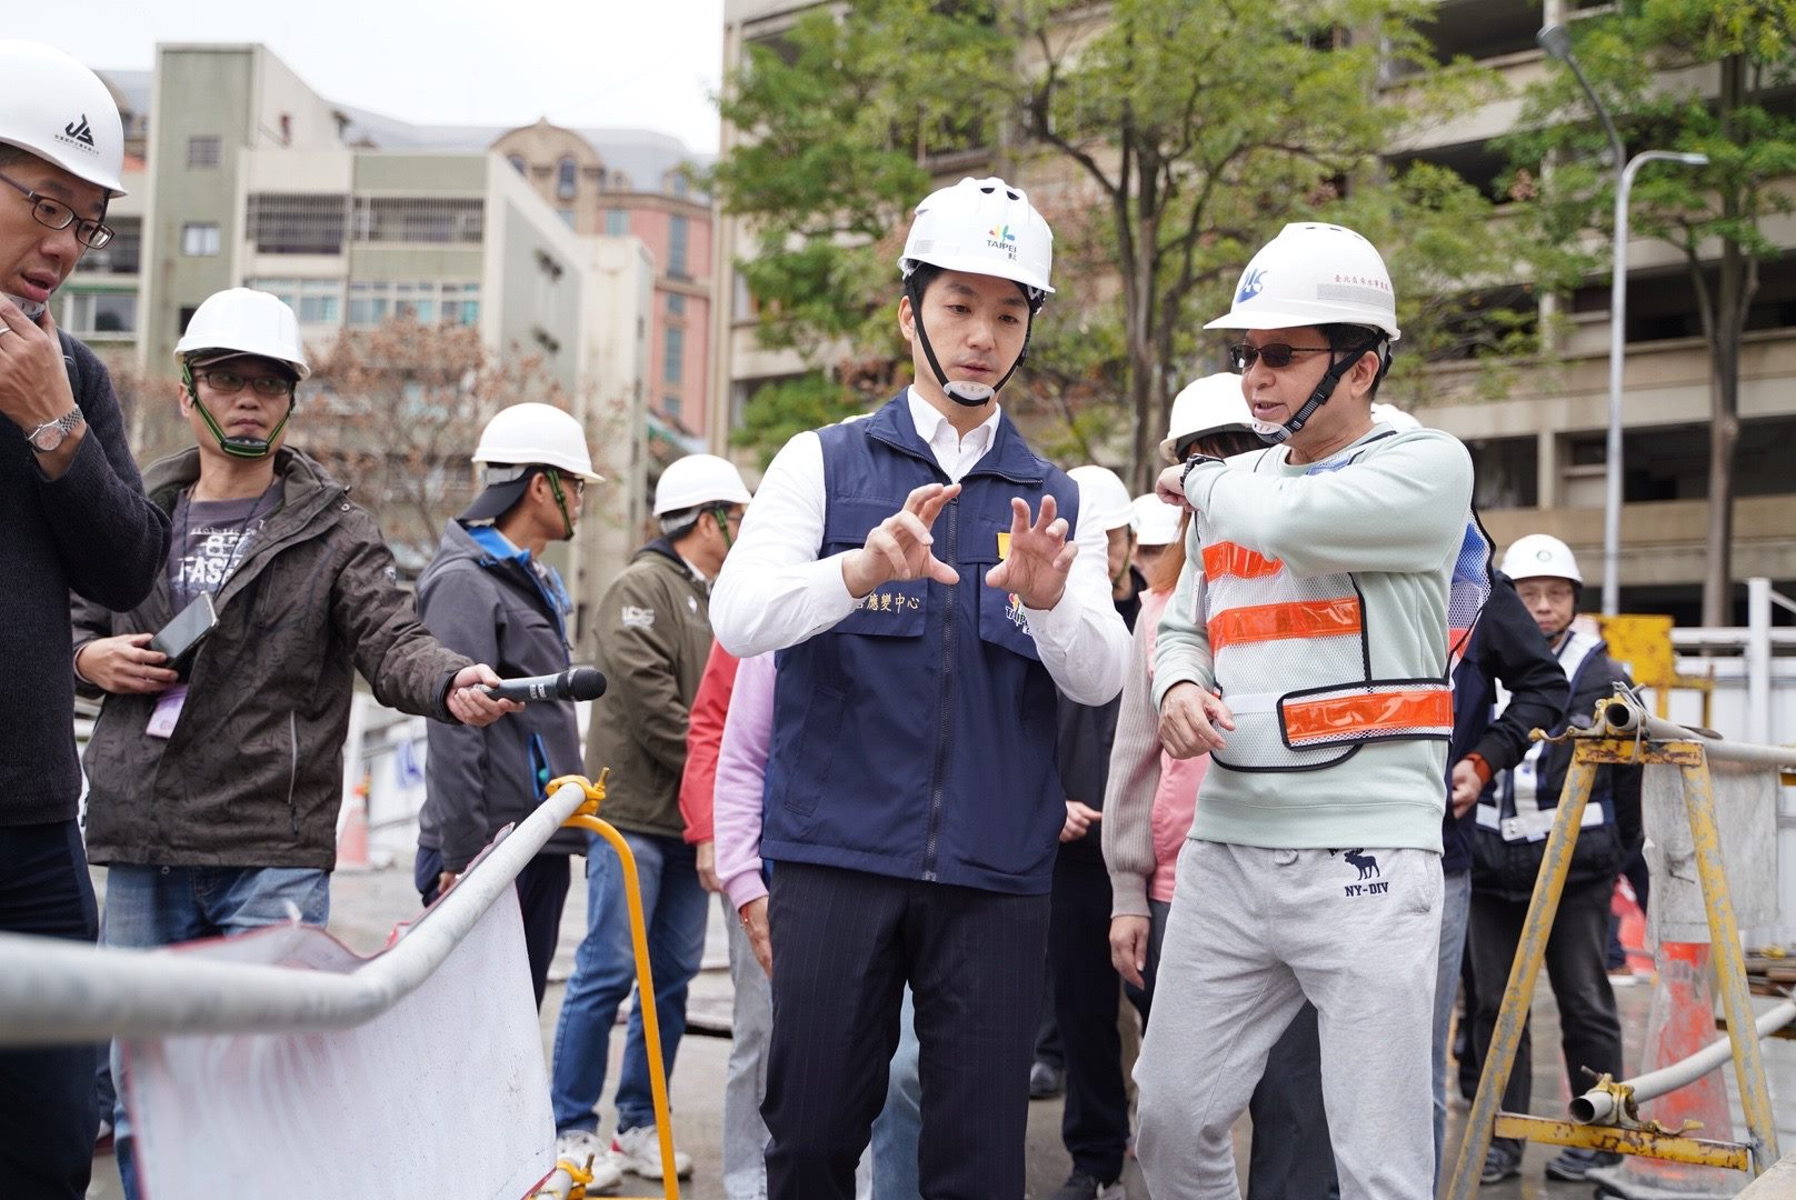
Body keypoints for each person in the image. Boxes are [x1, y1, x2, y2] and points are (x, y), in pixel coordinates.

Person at [710, 175, 1130, 1200]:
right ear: (909, 316)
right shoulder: (819, 465)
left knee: (977, 1165)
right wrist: (858, 568)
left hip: (993, 878)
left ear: (1027, 330)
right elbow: (739, 615)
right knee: (806, 1140)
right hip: (834, 859)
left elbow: (1101, 674)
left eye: (1006, 312)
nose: (981, 335)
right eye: (957, 306)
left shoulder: (1053, 496)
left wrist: (1042, 601)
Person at [72, 286, 514, 1199]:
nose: (248, 399)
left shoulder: (333, 529)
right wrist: (89, 656)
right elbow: (59, 622)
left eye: (269, 385)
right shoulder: (129, 512)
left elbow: (393, 638)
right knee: (141, 1084)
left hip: (268, 851)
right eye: (229, 381)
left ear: (291, 400)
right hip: (142, 842)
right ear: (191, 391)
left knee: (266, 1079)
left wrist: (448, 679)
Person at [1139, 221, 1489, 1200]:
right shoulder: (1234, 483)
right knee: (1167, 1116)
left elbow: (1288, 518)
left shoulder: (1425, 468)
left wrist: (1196, 478)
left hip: (1367, 861)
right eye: (1246, 354)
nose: (1255, 377)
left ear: (1360, 365)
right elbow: (1182, 625)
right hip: (1227, 850)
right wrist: (1173, 686)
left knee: (1374, 1163)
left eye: (1283, 355)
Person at [0, 39, 170, 1200]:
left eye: (88, 221)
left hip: (28, 826)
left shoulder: (76, 379)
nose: (62, 244)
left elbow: (133, 565)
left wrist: (54, 423)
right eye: (44, 205)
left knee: (57, 1136)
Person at [551, 451, 752, 1182]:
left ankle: (640, 1123)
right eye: (738, 516)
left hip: (682, 821)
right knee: (605, 971)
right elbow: (653, 704)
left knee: (668, 980)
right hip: (635, 813)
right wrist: (719, 772)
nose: (743, 529)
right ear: (708, 520)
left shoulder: (712, 594)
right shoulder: (641, 586)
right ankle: (570, 1129)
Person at [414, 403, 603, 1003]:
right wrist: (466, 855)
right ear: (541, 485)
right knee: (473, 1040)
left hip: (533, 837)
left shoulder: (525, 578)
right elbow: (453, 725)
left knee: (516, 1029)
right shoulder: (466, 581)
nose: (581, 499)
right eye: (575, 484)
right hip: (490, 852)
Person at [712, 650, 917, 1200]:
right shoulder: (774, 596)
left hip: (903, 880)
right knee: (777, 1057)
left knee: (898, 1075)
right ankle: (747, 1180)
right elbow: (733, 743)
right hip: (793, 883)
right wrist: (741, 874)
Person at [1470, 534, 1640, 1186]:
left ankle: (1602, 1141)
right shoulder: (1481, 657)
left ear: (1574, 599)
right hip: (1491, 864)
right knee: (1494, 1006)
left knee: (1585, 1002)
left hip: (1575, 869)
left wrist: (1614, 856)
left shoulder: (1604, 674)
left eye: (1556, 594)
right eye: (1530, 593)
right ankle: (1501, 1138)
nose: (1543, 606)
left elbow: (1630, 784)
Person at [1106, 373, 1258, 1016]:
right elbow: (1134, 759)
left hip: (1292, 877)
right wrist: (1128, 894)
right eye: (1200, 459)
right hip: (1179, 884)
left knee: (1292, 1112)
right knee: (1179, 1104)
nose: (1215, 477)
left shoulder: (1319, 594)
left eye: (1232, 452)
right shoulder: (1160, 609)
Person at [1039, 464, 1141, 1200]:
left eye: (1108, 537)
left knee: (1169, 1010)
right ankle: (1096, 1156)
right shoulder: (1041, 616)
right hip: (1072, 852)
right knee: (1080, 1015)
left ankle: (1171, 1143)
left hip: (1155, 855)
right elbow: (1011, 729)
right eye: (1084, 537)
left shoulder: (1162, 616)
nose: (1098, 551)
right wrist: (1053, 803)